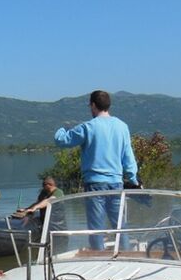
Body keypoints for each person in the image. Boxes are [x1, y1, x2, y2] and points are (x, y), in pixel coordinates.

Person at [54, 90, 139, 249]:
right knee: (120, 225)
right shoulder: (122, 127)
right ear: (108, 105)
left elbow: (62, 141)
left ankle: (98, 257)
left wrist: (61, 129)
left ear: (93, 105)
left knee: (96, 227)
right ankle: (126, 254)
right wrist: (133, 179)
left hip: (95, 184)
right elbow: (128, 157)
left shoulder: (88, 127)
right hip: (116, 183)